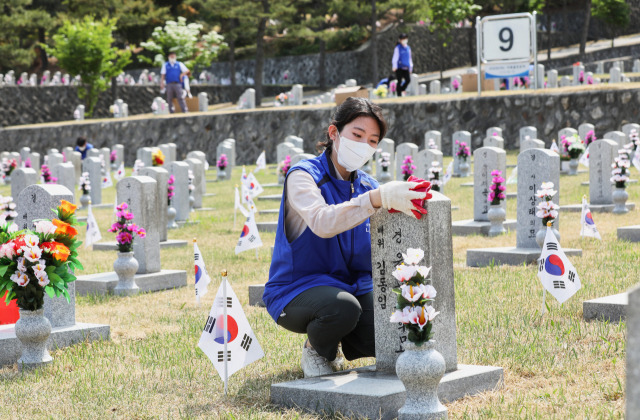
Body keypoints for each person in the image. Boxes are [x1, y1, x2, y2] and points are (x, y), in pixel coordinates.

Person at [263, 97, 429, 378]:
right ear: (333, 133)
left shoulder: (368, 185)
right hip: (297, 289)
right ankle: (317, 349)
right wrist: (375, 199)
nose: (365, 145)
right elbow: (322, 222)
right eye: (357, 135)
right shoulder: (304, 176)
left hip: (352, 285)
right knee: (342, 309)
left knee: (393, 327)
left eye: (373, 140)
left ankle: (342, 338)